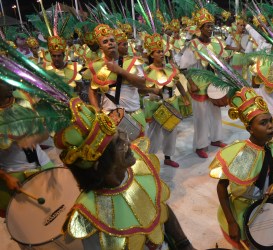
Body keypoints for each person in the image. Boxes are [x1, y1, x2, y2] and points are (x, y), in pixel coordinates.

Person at [55, 97, 195, 250]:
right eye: (117, 143)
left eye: (121, 136)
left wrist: (184, 244)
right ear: (98, 165)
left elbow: (160, 206)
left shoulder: (138, 170)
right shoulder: (91, 216)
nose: (128, 143)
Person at [209, 87, 273, 249]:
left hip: (264, 208)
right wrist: (231, 222)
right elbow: (222, 187)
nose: (270, 126)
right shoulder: (239, 153)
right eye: (263, 123)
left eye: (270, 121)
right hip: (240, 211)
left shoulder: (272, 149)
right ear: (250, 128)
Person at [85, 24, 154, 136]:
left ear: (116, 43)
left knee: (138, 150)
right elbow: (92, 90)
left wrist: (120, 71)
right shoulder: (96, 66)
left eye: (112, 40)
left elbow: (142, 84)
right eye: (105, 42)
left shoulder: (132, 62)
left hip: (133, 115)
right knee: (117, 152)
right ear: (101, 47)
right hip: (109, 117)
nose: (110, 43)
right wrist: (96, 109)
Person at [179, 8, 228, 158]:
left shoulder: (215, 43)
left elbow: (221, 64)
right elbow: (183, 67)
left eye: (212, 26)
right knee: (201, 117)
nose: (210, 29)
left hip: (213, 85)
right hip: (198, 86)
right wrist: (191, 83)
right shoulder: (193, 44)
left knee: (215, 113)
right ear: (200, 28)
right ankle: (200, 145)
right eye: (207, 26)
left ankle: (216, 139)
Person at [0, 83, 55, 218]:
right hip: (14, 173)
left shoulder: (24, 105)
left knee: (54, 204)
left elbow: (46, 134)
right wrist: (6, 177)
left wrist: (34, 139)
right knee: (26, 217)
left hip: (43, 163)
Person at [142, 32, 190, 168]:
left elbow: (179, 84)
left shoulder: (170, 69)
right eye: (158, 52)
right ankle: (149, 159)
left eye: (162, 51)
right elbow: (140, 89)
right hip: (154, 104)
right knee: (153, 133)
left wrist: (185, 98)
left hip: (171, 102)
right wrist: (151, 92)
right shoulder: (145, 71)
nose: (162, 54)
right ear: (151, 55)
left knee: (171, 131)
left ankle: (168, 157)